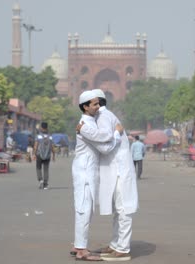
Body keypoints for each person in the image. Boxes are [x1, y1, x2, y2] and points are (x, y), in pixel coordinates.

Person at [77, 89, 138, 261]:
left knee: (123, 209)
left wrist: (85, 131)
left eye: (97, 103)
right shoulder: (104, 117)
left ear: (97, 104)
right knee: (118, 210)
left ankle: (123, 248)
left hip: (118, 169)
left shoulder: (103, 116)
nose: (96, 106)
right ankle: (115, 244)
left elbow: (104, 143)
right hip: (115, 169)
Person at [71, 90, 123, 261]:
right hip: (85, 170)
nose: (98, 106)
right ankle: (81, 250)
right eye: (94, 104)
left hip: (87, 169)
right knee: (84, 208)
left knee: (84, 207)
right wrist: (116, 133)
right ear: (85, 107)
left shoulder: (87, 123)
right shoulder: (86, 125)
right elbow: (105, 145)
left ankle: (79, 244)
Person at [33, 122, 55, 190]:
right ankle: (45, 185)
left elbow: (35, 146)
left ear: (41, 128)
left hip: (39, 155)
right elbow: (52, 147)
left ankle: (40, 180)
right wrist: (53, 155)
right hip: (47, 155)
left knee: (38, 168)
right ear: (47, 128)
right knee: (46, 169)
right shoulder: (50, 136)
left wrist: (34, 154)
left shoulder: (38, 136)